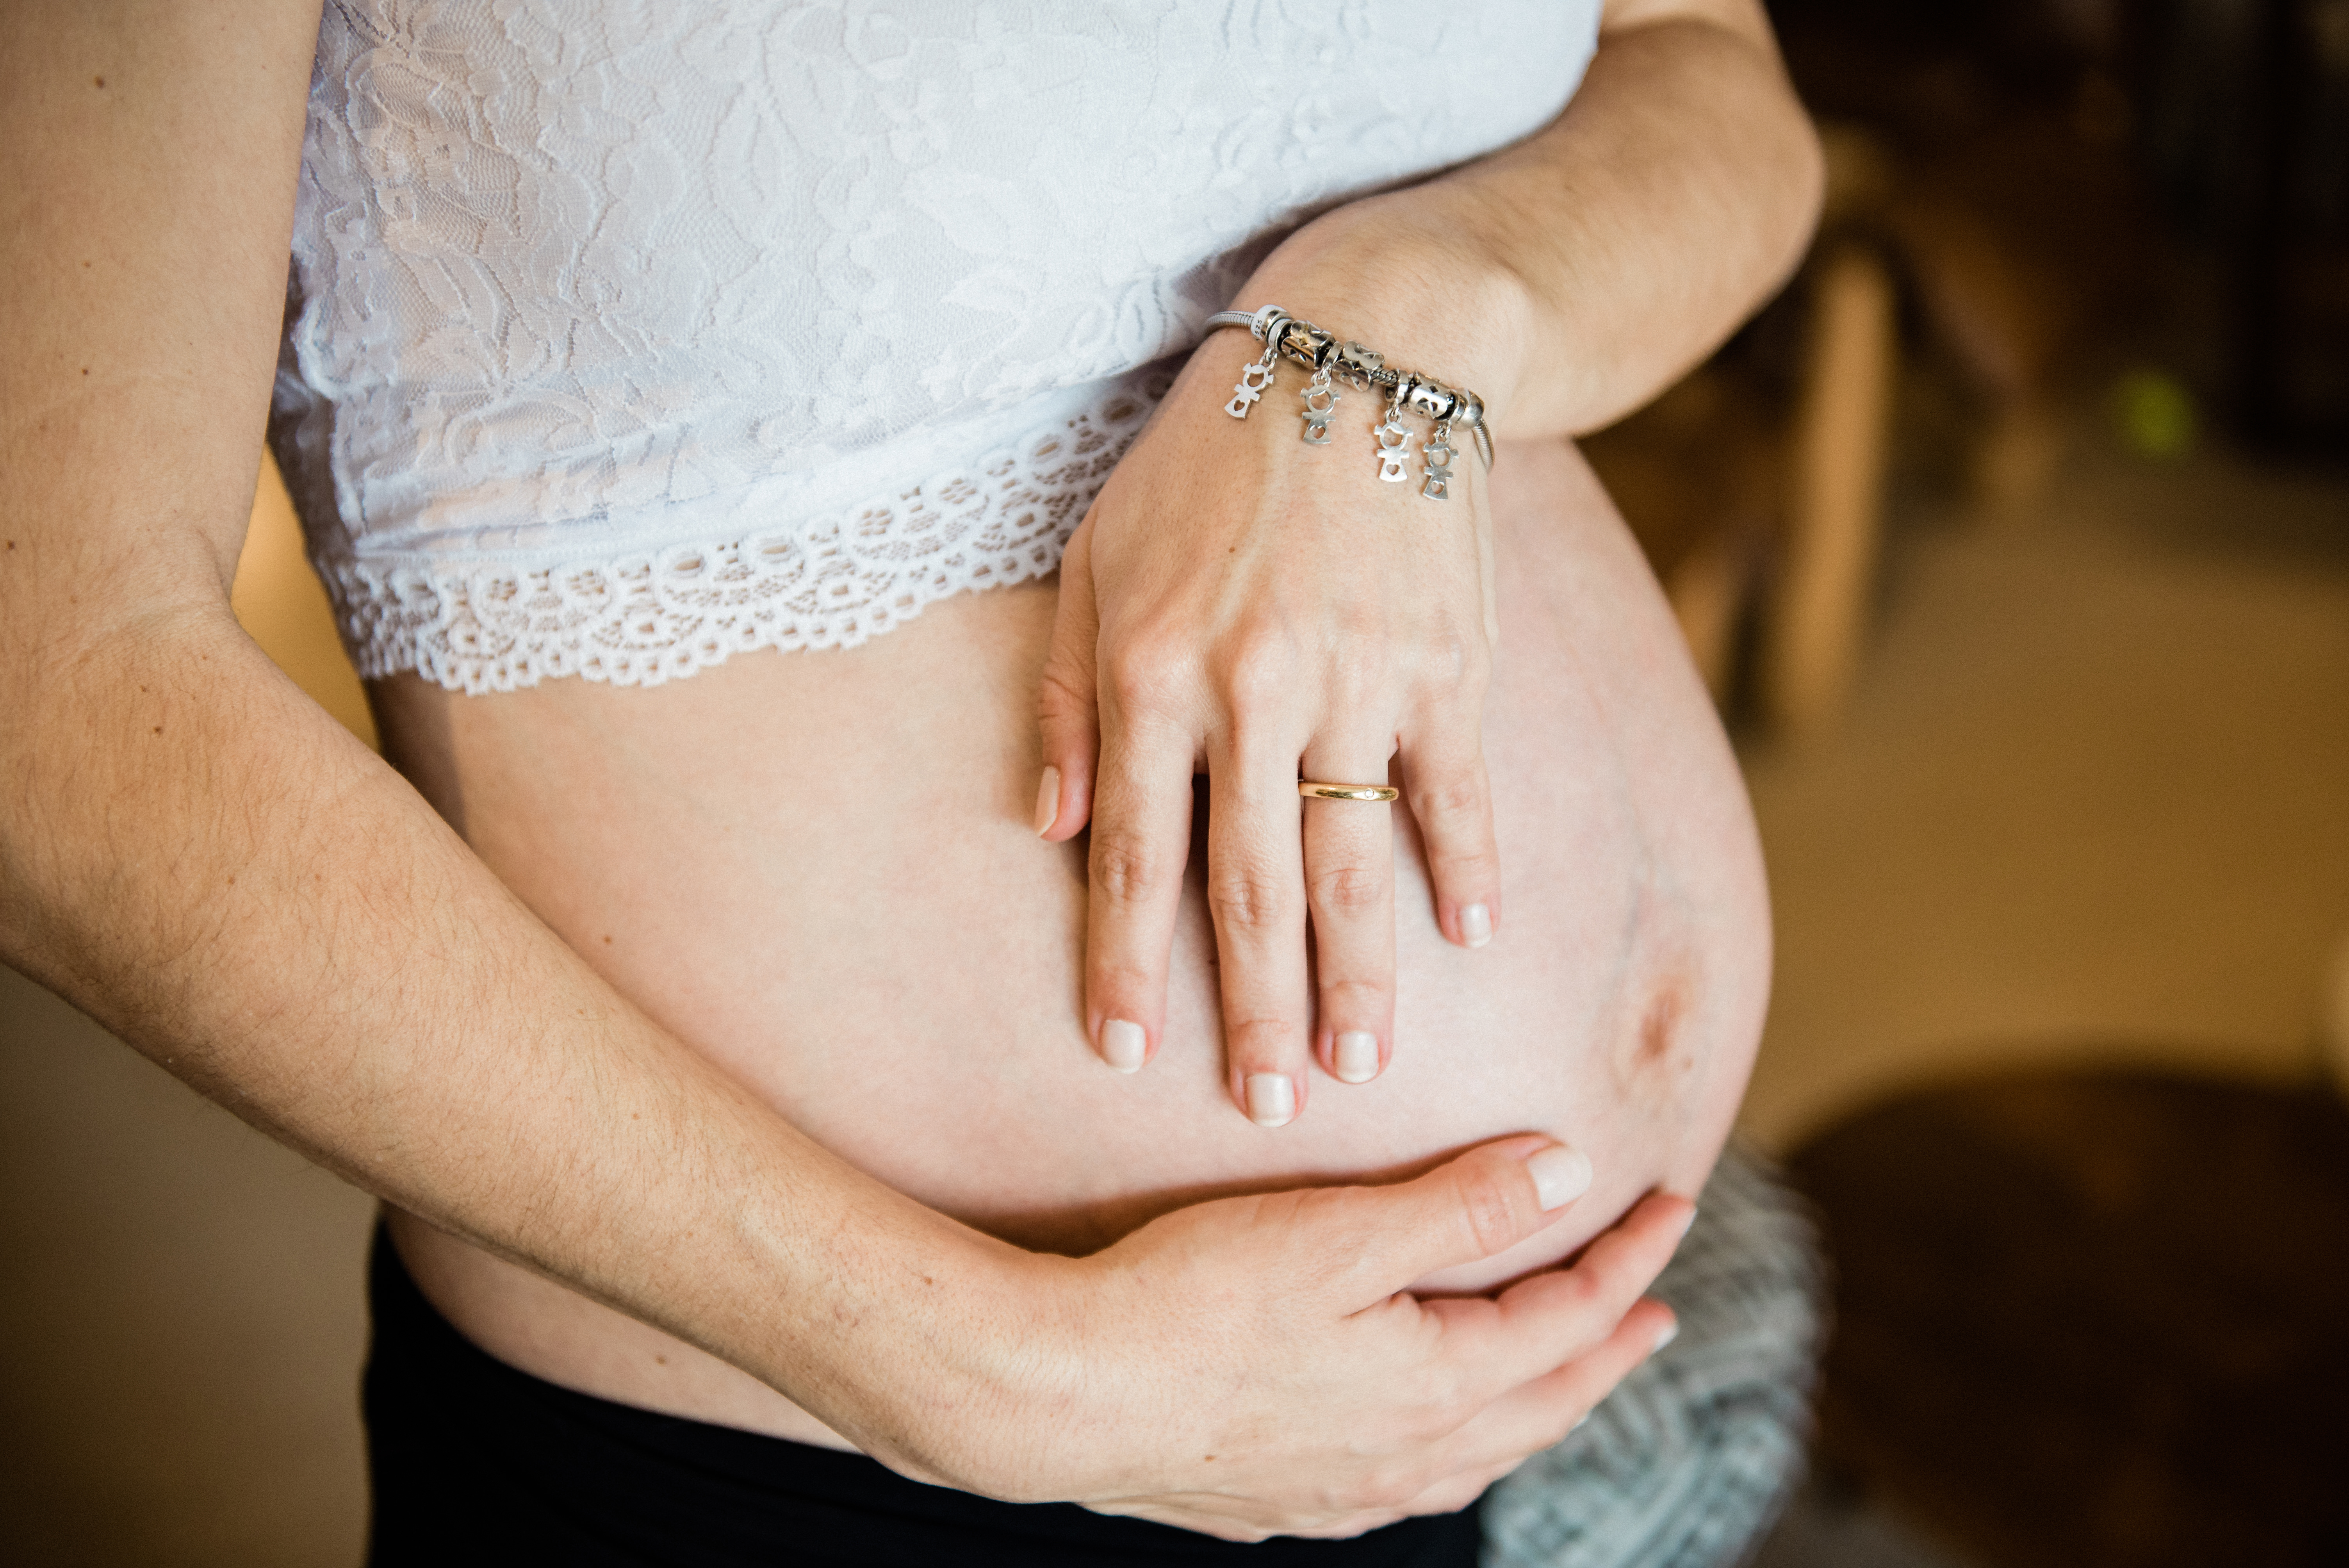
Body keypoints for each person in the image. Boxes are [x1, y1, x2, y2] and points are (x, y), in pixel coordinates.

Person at [0, 0, 1821, 1561]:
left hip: (1487, 1412)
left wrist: (1398, 331)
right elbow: (52, 694)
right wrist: (1000, 1377)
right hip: (837, 1441)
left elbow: (1706, 78)